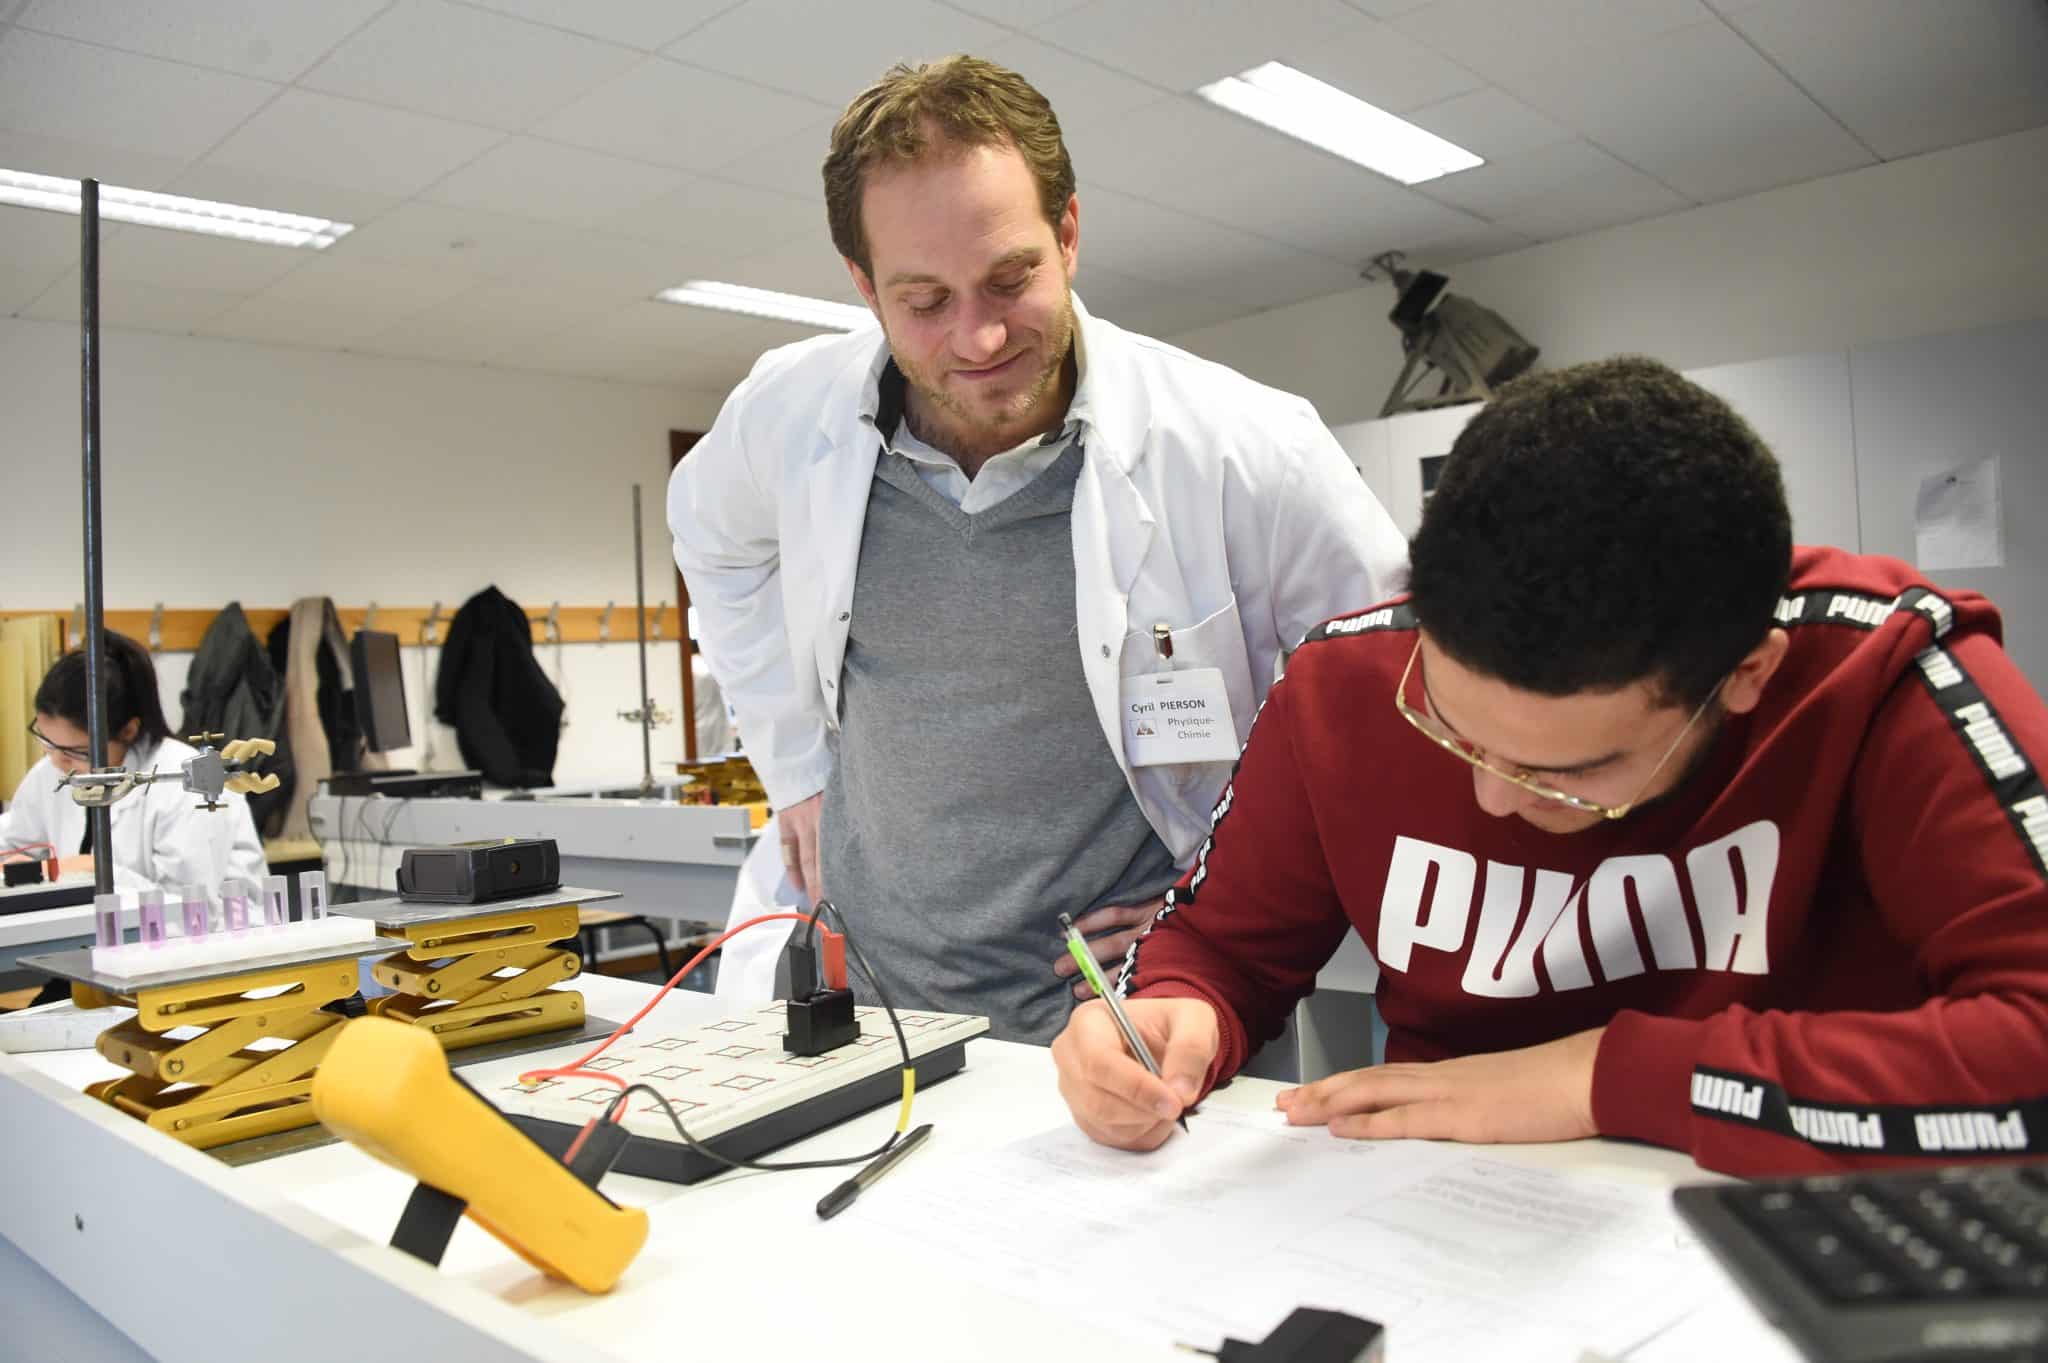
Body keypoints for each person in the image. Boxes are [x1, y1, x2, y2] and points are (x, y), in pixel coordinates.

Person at [1051, 355, 2048, 1177]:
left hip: (1775, 1208)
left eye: (1564, 771)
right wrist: (1175, 1017)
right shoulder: (1344, 680)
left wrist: (1604, 1076)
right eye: (1450, 724)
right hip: (1434, 1211)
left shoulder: (1883, 677)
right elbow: (1221, 948)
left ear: (1742, 679)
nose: (1492, 797)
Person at [669, 55, 1406, 1043]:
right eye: (923, 300)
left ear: (1066, 234)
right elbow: (709, 537)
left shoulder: (1241, 446)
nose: (975, 338)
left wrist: (1235, 909)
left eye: (1008, 278)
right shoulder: (789, 413)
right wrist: (794, 766)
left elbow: (1390, 693)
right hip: (872, 1017)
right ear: (862, 283)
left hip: (1125, 1026)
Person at [1, 631, 267, 899]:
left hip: (219, 933)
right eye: (46, 740)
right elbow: (17, 847)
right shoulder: (50, 772)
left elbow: (192, 909)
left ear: (128, 731)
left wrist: (94, 872)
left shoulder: (187, 782)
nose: (58, 760)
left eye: (77, 751)